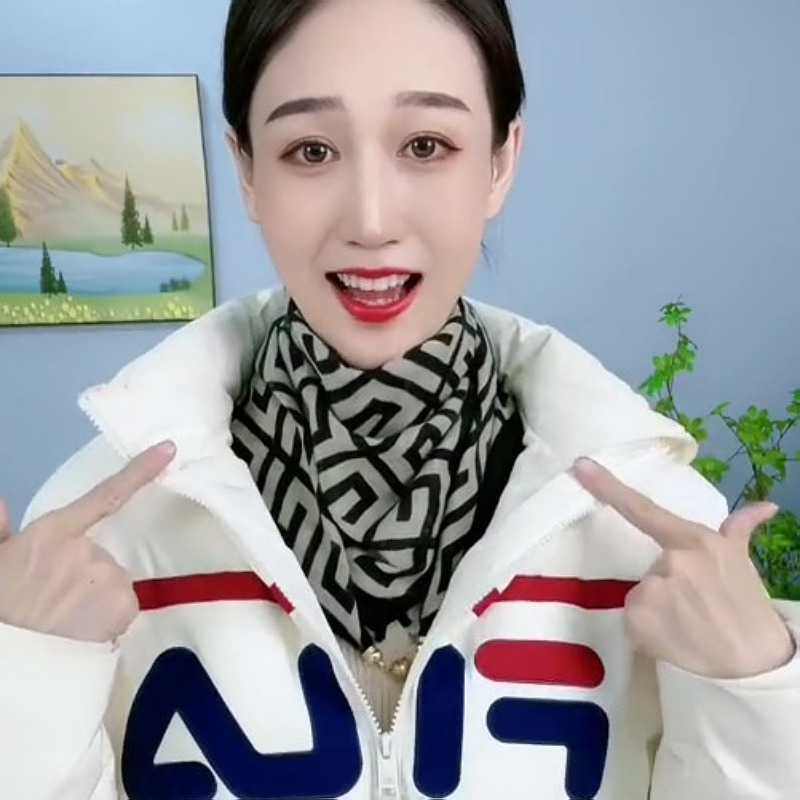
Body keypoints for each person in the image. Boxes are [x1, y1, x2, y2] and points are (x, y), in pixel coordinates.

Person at [1, 1, 798, 798]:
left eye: (426, 146)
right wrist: (23, 676)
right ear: (247, 171)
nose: (372, 221)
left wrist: (756, 694)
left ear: (500, 162)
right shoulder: (92, 533)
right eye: (311, 150)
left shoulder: (656, 530)